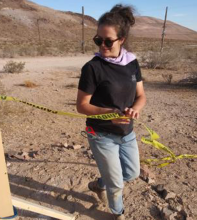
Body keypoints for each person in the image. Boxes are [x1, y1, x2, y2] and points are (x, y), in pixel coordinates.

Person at [76, 4, 146, 220]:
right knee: (116, 183)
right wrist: (108, 113)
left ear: (121, 39)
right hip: (100, 134)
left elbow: (141, 96)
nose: (102, 45)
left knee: (132, 173)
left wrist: (135, 109)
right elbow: (82, 106)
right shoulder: (92, 68)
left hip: (127, 133)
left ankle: (99, 184)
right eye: (98, 40)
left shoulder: (131, 63)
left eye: (108, 41)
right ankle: (118, 213)